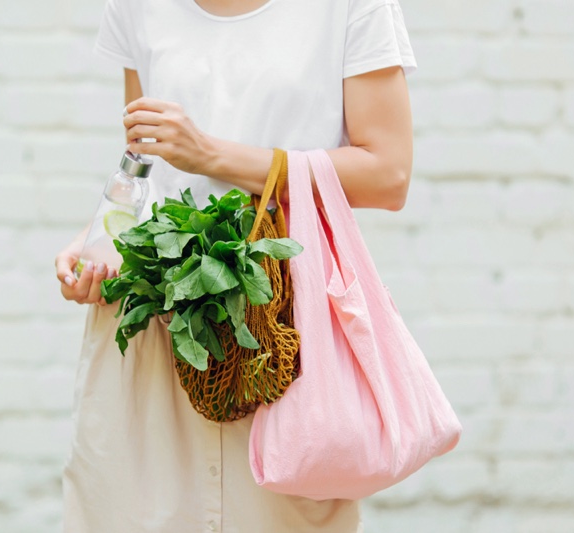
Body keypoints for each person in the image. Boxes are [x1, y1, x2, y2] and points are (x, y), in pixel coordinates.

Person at [54, 0, 418, 530]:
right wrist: (95, 243)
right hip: (159, 318)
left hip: (278, 331)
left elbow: (387, 173)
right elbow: (145, 174)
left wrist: (211, 153)